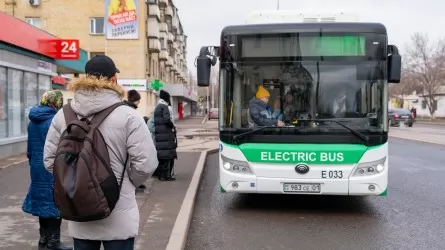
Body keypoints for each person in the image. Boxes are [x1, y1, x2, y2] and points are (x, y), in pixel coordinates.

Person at [43, 55, 158, 250]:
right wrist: (127, 182)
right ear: (114, 80)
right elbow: (146, 163)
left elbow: (49, 160)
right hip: (118, 213)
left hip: (80, 210)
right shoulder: (129, 115)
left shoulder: (63, 115)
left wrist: (75, 181)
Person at [22, 90, 72, 250]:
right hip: (51, 166)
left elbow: (30, 148)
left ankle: (43, 239)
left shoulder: (33, 121)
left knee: (42, 202)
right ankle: (54, 242)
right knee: (55, 201)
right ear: (56, 103)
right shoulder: (54, 120)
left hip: (36, 167)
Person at [122, 89, 147, 191]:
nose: (139, 102)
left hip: (126, 143)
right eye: (138, 100)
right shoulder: (130, 111)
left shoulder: (125, 108)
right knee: (131, 163)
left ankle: (136, 183)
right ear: (135, 99)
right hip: (128, 143)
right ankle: (134, 183)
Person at [154, 90, 177, 181]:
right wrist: (172, 125)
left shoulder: (158, 107)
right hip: (166, 135)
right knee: (167, 156)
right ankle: (167, 176)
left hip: (160, 135)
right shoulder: (165, 107)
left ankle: (161, 175)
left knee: (162, 157)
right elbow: (167, 119)